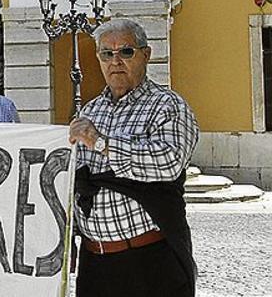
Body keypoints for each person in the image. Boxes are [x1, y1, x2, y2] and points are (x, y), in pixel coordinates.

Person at [69, 19, 198, 297]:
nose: (116, 61)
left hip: (150, 261)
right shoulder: (89, 111)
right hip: (95, 263)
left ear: (146, 54)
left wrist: (101, 143)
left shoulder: (168, 105)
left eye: (126, 52)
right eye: (107, 53)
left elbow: (169, 161)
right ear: (99, 59)